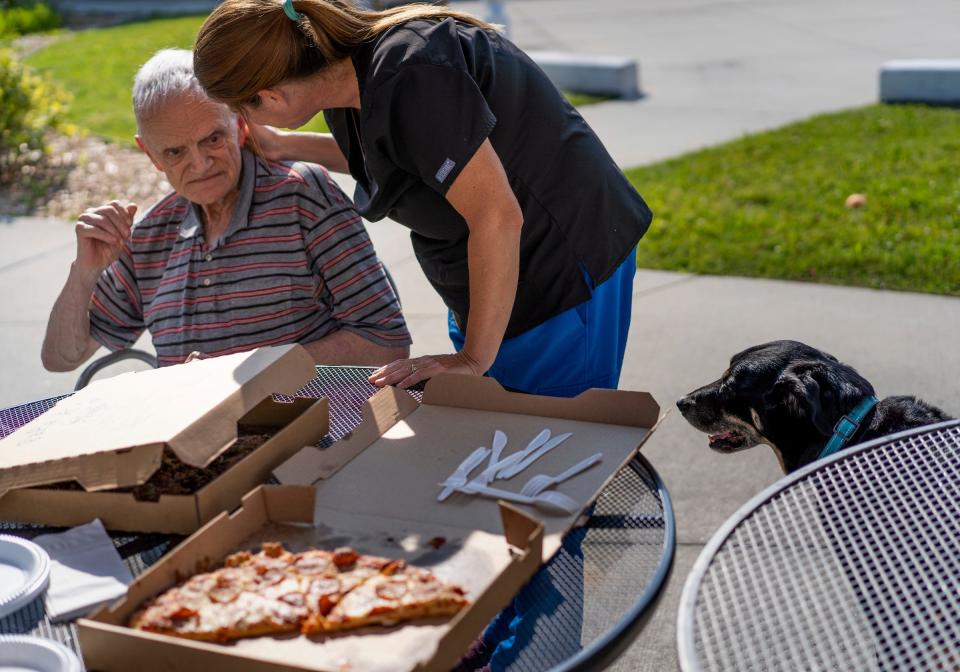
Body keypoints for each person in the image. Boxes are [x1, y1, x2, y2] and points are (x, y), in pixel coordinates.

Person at [192, 0, 653, 399]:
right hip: (501, 283)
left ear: (270, 95)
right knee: (511, 449)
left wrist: (473, 359)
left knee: (555, 452)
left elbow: (497, 215)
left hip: (557, 276)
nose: (243, 119)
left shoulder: (410, 75)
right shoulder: (347, 77)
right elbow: (407, 150)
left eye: (243, 108)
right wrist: (280, 146)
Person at [41, 48, 410, 372]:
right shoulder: (149, 236)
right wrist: (83, 274)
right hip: (191, 444)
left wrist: (238, 375)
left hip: (307, 436)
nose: (200, 164)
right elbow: (62, 358)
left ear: (239, 124)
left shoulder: (302, 196)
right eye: (175, 152)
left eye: (213, 139)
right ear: (150, 154)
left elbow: (386, 342)